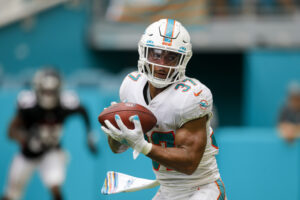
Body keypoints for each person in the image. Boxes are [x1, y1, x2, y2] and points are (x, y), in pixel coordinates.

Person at [101, 19, 226, 200]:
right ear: (144, 52)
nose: (162, 64)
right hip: (167, 190)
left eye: (171, 57)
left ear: (183, 59)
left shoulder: (191, 96)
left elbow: (190, 163)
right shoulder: (131, 86)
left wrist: (143, 146)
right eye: (156, 54)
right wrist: (116, 133)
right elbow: (117, 148)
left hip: (200, 189)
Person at [1, 68, 98, 200]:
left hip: (52, 151)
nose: (48, 94)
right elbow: (10, 132)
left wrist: (89, 136)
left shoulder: (65, 103)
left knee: (55, 186)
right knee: (12, 194)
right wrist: (25, 139)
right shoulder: (28, 105)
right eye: (46, 91)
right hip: (27, 155)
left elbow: (83, 111)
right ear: (37, 88)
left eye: (52, 91)